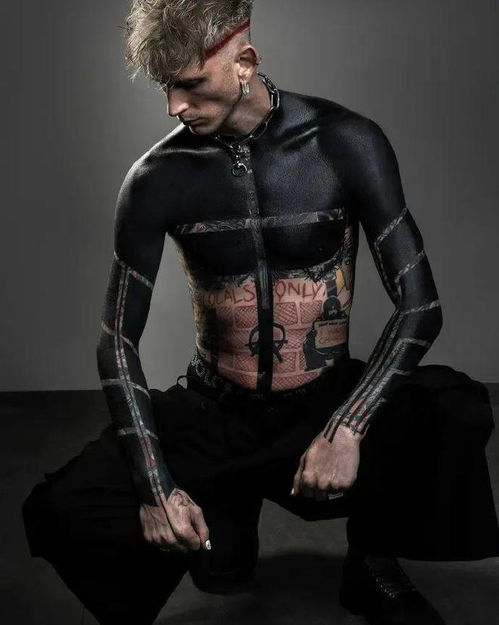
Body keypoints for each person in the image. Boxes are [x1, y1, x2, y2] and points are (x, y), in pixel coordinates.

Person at [22, 2, 499, 624]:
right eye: (166, 88)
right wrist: (156, 487)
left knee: (454, 410)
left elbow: (420, 304)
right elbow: (117, 340)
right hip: (217, 412)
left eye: (190, 85)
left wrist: (347, 426)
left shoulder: (345, 143)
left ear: (244, 62)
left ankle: (372, 561)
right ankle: (227, 512)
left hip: (321, 400)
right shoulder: (156, 178)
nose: (174, 106)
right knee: (68, 506)